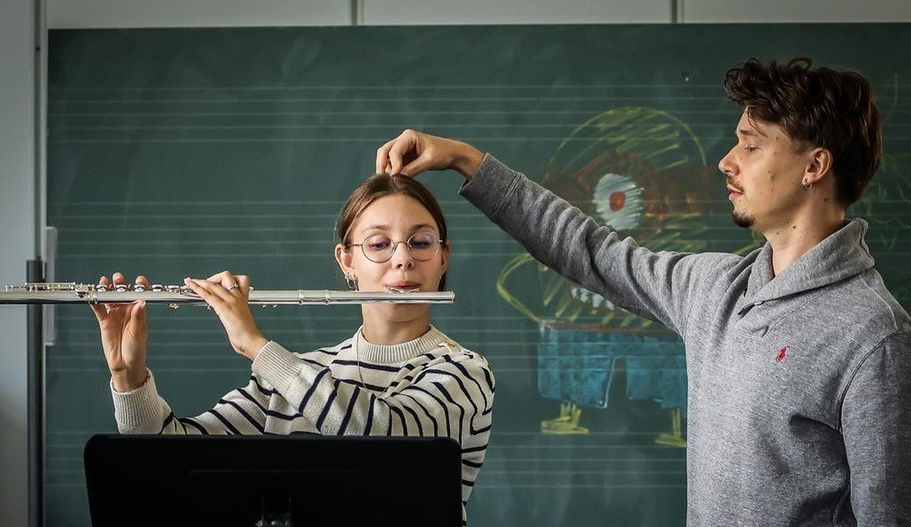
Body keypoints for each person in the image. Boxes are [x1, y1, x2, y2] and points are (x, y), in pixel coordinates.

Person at [375, 58, 911, 525]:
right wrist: (465, 160)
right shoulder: (715, 289)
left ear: (815, 167)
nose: (727, 161)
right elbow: (589, 249)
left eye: (750, 145)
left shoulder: (872, 335)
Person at [92, 174, 495, 525]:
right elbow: (172, 465)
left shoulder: (464, 372)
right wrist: (130, 379)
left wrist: (255, 345)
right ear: (346, 261)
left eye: (421, 241)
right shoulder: (294, 375)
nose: (403, 259)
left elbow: (390, 445)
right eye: (379, 244)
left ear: (443, 257)